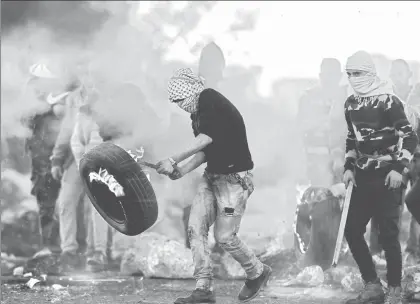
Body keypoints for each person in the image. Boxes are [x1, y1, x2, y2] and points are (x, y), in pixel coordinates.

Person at [155, 68, 272, 304]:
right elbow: (206, 150)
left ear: (189, 91)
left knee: (225, 237)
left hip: (234, 180)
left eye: (180, 100)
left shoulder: (209, 99)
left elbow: (206, 138)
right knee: (195, 229)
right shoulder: (196, 114)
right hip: (212, 176)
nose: (180, 106)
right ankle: (203, 289)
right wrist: (182, 171)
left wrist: (173, 159)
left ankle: (257, 271)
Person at [342, 51, 418, 304]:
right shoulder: (350, 103)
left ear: (371, 73)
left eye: (358, 73)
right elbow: (352, 138)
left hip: (389, 176)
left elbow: (409, 137)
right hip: (363, 176)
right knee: (352, 230)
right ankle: (372, 285)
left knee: (388, 235)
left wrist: (399, 169)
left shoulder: (389, 101)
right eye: (350, 73)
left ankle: (394, 290)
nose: (354, 79)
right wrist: (348, 167)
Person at [370, 59, 420, 265]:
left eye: (400, 73)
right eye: (393, 74)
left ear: (408, 75)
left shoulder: (417, 94)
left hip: (417, 157)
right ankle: (381, 251)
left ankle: (414, 251)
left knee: (416, 202)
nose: (396, 77)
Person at [23, 63, 68, 258]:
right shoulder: (32, 104)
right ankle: (51, 245)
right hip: (41, 158)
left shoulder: (61, 103)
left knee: (63, 200)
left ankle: (63, 247)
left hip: (60, 157)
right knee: (45, 200)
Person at [51, 79, 95, 272]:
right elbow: (66, 130)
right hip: (73, 161)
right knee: (65, 202)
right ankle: (68, 252)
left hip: (99, 160)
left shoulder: (105, 97)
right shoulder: (72, 99)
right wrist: (57, 159)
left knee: (94, 208)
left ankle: (96, 253)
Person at [297, 58, 349, 189]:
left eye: (333, 75)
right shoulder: (308, 97)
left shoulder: (348, 98)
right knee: (319, 203)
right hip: (316, 162)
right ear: (320, 76)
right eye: (326, 75)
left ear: (340, 76)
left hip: (342, 161)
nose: (329, 79)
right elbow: (300, 128)